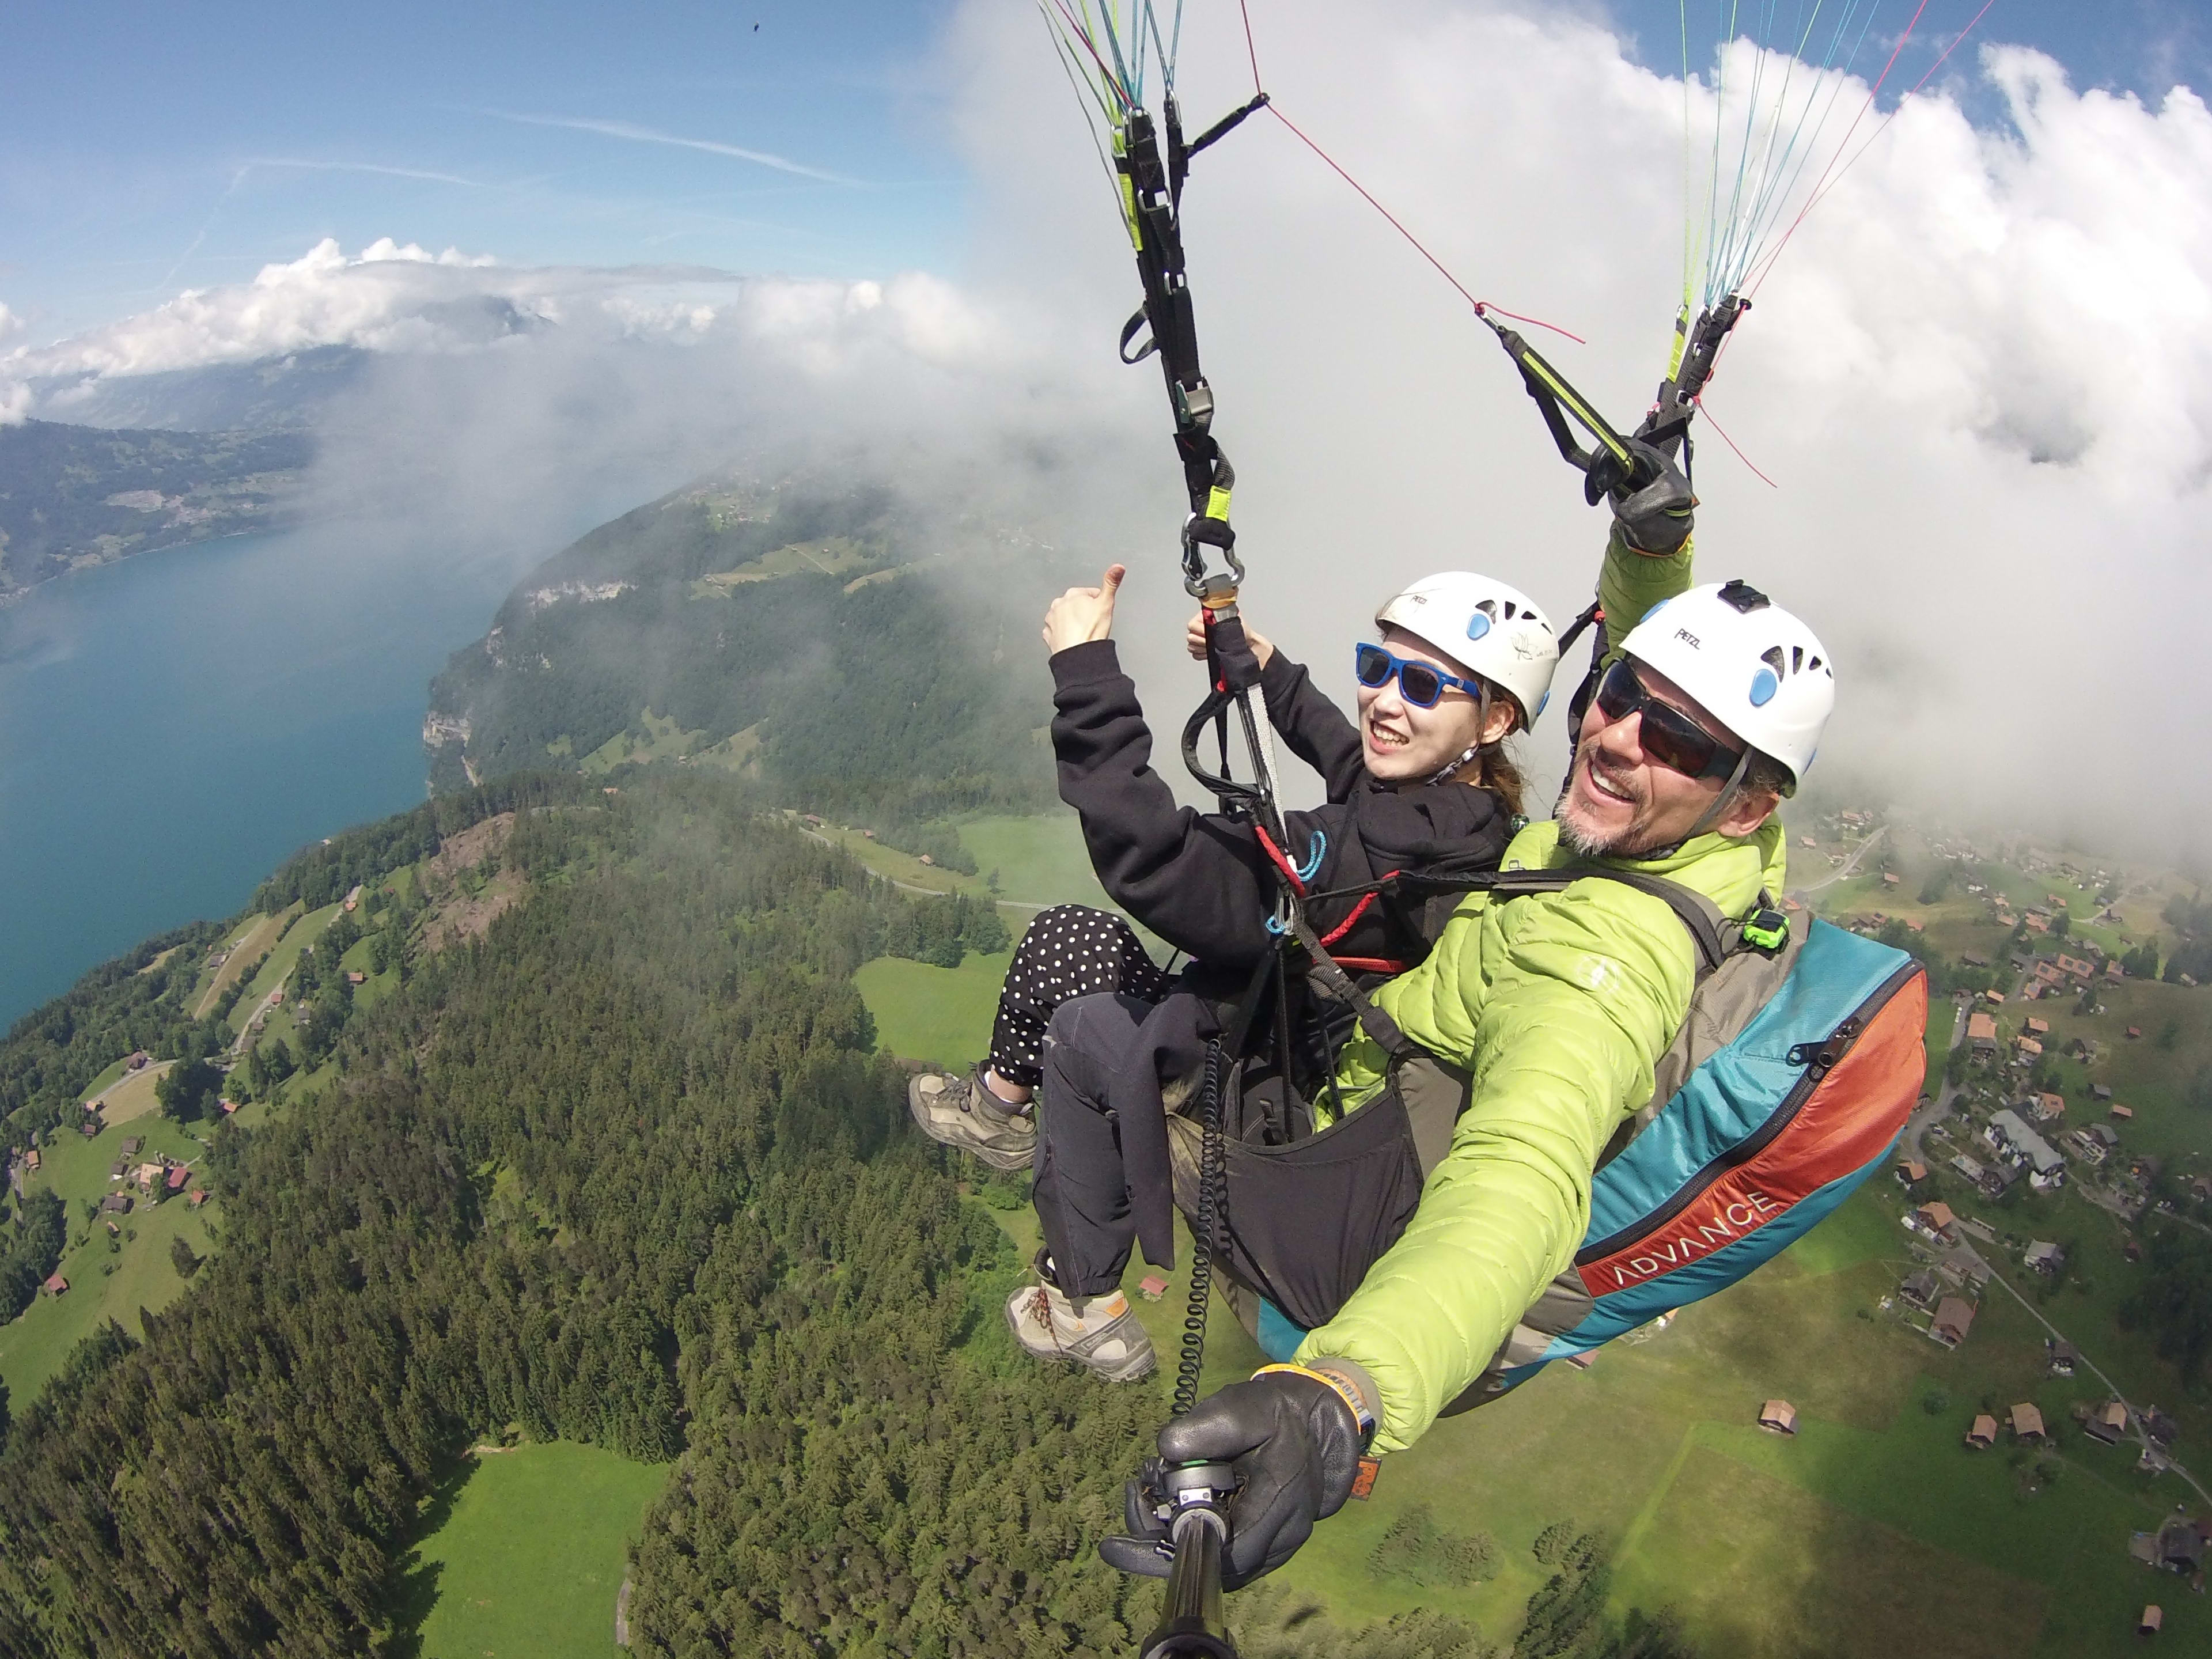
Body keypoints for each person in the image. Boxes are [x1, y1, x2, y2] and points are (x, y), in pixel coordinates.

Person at [1101, 574, 1838, 1590]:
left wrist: (1342, 1392)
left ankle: (1079, 1277)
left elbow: (1521, 1175)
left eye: (1681, 743)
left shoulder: (1604, 959)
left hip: (1343, 1205)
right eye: (1619, 693)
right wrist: (1653, 539)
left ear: (1747, 804)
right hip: (1372, 1113)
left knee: (1113, 1022)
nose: (1619, 736)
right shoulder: (1654, 850)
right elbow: (1644, 665)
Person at [907, 556, 1596, 1177]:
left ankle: (997, 1115)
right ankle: (1000, 1114)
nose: (1384, 700)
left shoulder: (1383, 849)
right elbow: (1349, 759)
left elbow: (1165, 863)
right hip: (1278, 1033)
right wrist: (1268, 670)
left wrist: (1087, 674)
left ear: (1496, 721)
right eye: (1376, 667)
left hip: (1241, 1075)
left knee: (1065, 944)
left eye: (1420, 685)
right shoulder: (1459, 818)